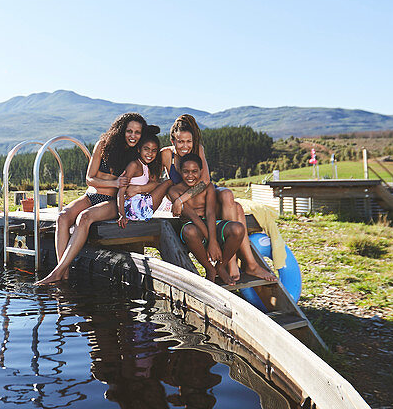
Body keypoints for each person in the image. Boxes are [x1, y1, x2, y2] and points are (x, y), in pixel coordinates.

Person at [160, 114, 274, 284]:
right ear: (172, 140)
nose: (185, 146)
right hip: (189, 205)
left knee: (227, 194)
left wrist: (180, 199)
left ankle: (233, 262)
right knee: (237, 209)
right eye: (180, 142)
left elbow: (205, 182)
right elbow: (154, 177)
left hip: (205, 194)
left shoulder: (198, 148)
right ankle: (246, 264)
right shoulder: (166, 155)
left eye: (188, 142)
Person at [36, 113, 145, 285]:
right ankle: (63, 275)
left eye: (137, 132)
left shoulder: (134, 155)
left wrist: (108, 184)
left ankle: (56, 273)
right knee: (62, 216)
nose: (133, 135)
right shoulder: (102, 146)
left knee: (84, 217)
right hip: (91, 195)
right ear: (120, 130)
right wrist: (114, 182)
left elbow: (115, 186)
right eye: (129, 131)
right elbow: (89, 179)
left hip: (112, 202)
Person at [167, 153, 245, 285]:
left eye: (194, 171)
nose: (190, 175)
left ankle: (220, 266)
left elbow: (210, 213)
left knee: (238, 228)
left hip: (210, 223)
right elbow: (191, 215)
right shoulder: (174, 191)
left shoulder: (207, 187)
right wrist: (211, 241)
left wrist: (214, 241)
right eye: (186, 172)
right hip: (192, 226)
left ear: (201, 171)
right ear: (180, 171)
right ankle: (210, 269)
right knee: (189, 231)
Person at [116, 128, 173, 227]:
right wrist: (121, 214)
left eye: (154, 150)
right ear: (139, 149)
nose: (150, 153)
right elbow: (121, 191)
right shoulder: (134, 165)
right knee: (168, 182)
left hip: (139, 208)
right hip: (134, 210)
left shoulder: (146, 167)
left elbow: (154, 184)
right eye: (146, 149)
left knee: (159, 184)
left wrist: (138, 189)